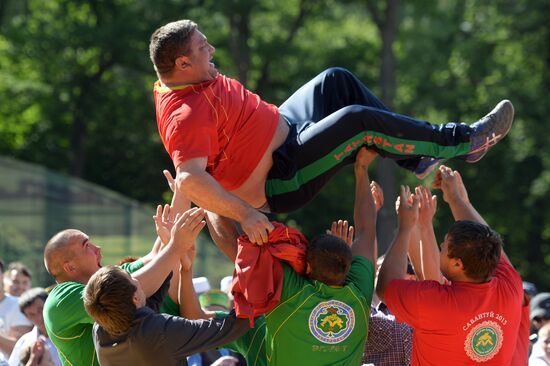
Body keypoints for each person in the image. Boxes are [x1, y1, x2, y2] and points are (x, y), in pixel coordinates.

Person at [149, 19, 515, 244]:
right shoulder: (184, 115)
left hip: (287, 128)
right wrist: (245, 215)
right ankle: (465, 140)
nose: (211, 50)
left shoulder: (182, 80)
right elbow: (189, 179)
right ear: (183, 64)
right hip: (281, 176)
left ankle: (420, 158)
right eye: (202, 48)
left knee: (335, 81)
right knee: (360, 121)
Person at [376, 166, 523, 365]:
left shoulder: (438, 304)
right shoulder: (511, 287)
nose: (441, 247)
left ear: (457, 264)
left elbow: (385, 287)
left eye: (444, 247)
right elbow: (488, 240)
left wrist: (404, 228)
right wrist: (456, 199)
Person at [42, 207, 206, 366]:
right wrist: (176, 246)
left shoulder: (111, 278)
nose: (97, 248)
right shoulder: (60, 299)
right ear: (70, 267)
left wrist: (182, 187)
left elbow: (157, 255)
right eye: (87, 246)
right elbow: (127, 292)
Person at [83, 267, 249, 365]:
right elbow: (227, 328)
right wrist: (256, 294)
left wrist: (174, 250)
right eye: (131, 278)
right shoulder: (159, 331)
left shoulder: (101, 329)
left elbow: (151, 305)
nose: (137, 279)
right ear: (135, 298)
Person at [8, 288, 60, 366]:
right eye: (32, 314)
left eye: (41, 310)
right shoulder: (23, 343)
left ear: (50, 305)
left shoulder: (70, 334)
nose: (39, 317)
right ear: (27, 317)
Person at [0, 260, 32, 361]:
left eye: (25, 282)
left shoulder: (19, 306)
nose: (20, 287)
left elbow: (20, 351)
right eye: (15, 282)